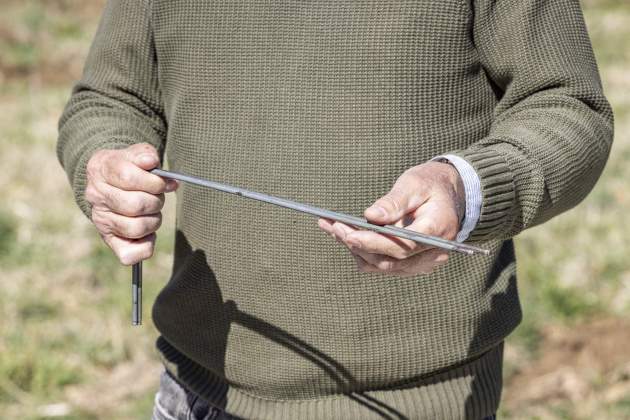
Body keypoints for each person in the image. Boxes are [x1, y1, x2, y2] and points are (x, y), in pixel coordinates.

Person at [57, 0, 613, 419]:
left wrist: (466, 189)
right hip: (197, 392)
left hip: (414, 402)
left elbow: (566, 106)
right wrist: (104, 161)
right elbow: (111, 99)